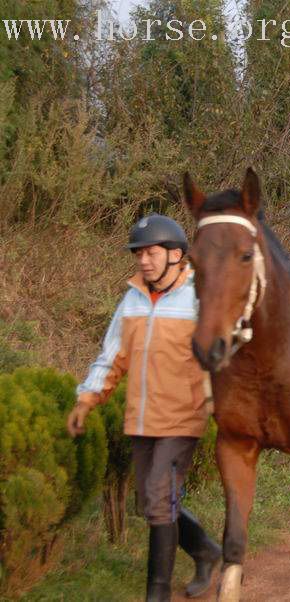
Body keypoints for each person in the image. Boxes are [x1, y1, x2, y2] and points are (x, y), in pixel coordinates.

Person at [66, 215, 221, 602]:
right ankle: (205, 550)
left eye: (151, 253)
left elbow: (224, 356)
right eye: (139, 254)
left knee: (158, 495)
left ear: (176, 255)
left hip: (183, 416)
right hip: (140, 416)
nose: (143, 261)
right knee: (151, 501)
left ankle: (157, 593)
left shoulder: (201, 297)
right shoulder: (133, 298)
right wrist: (87, 398)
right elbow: (113, 355)